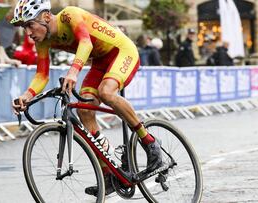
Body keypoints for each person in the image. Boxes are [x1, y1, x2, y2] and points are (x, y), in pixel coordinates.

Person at [10, 0, 162, 196]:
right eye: (24, 27)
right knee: (84, 109)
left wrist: (73, 72)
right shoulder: (43, 40)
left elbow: (85, 42)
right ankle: (109, 175)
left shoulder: (69, 15)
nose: (28, 32)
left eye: (29, 24)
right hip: (99, 62)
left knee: (106, 92)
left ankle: (150, 143)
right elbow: (42, 75)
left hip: (121, 52)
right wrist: (26, 96)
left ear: (46, 16)